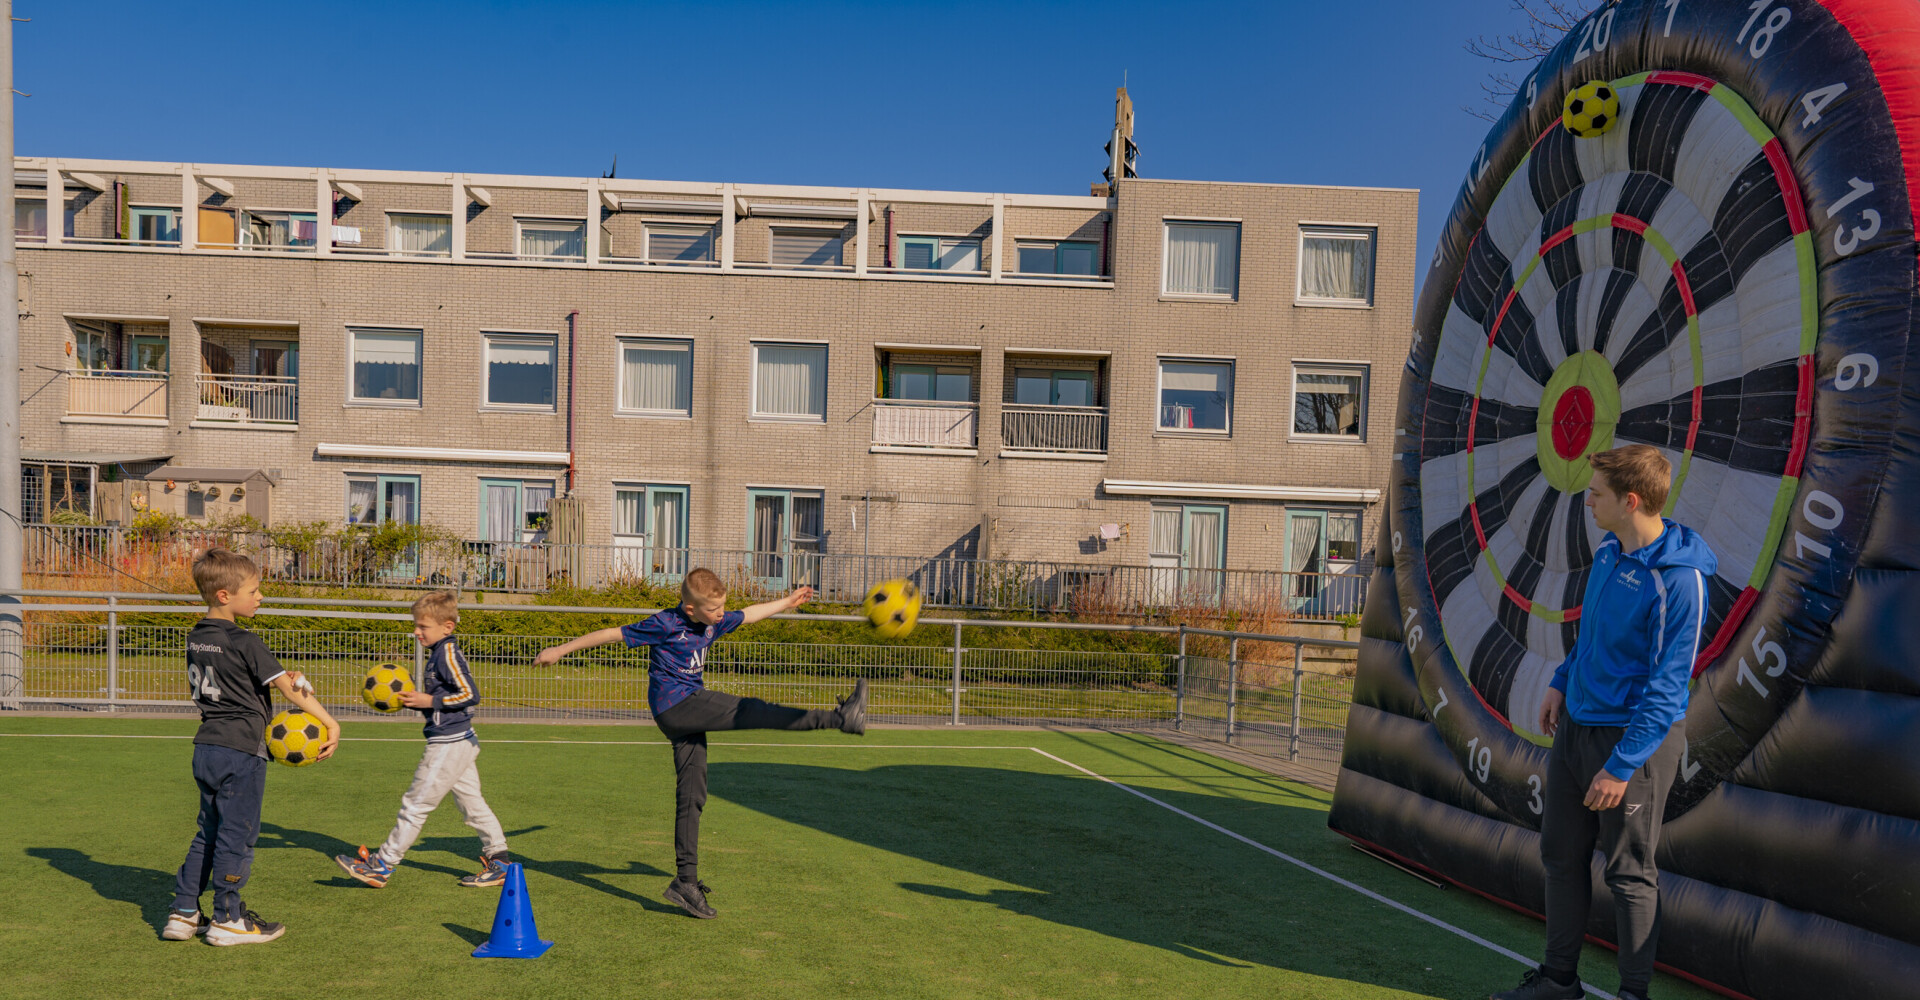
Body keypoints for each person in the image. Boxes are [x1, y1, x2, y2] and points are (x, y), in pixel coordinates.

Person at [1494, 445, 1717, 1000]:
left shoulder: (1680, 581)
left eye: (1596, 494)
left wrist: (1621, 767)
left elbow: (1668, 689)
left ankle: (1632, 996)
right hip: (1576, 727)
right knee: (1560, 856)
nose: (1587, 501)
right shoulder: (1608, 554)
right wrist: (1562, 682)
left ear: (1631, 500)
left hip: (1633, 744)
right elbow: (1591, 639)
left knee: (1629, 874)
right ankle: (1558, 983)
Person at [535, 568, 867, 919]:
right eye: (714, 609)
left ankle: (685, 883)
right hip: (677, 706)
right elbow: (610, 633)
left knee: (692, 796)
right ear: (690, 609)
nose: (721, 614)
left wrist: (789, 600)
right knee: (751, 710)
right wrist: (560, 649)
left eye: (723, 607)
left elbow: (750, 615)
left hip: (686, 710)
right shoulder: (665, 623)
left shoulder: (714, 620)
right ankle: (841, 718)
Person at [164, 549, 341, 946]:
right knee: (237, 836)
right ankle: (228, 918)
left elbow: (239, 678)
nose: (260, 597)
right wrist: (330, 722)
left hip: (206, 748)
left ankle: (184, 912)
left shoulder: (196, 637)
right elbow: (289, 689)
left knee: (206, 833)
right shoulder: (245, 639)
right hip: (242, 750)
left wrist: (277, 675)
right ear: (225, 595)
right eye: (254, 590)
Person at [335, 591, 511, 889]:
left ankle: (383, 865)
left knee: (415, 806)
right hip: (459, 741)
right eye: (416, 625)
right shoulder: (438, 652)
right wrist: (419, 700)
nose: (416, 631)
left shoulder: (448, 653)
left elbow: (470, 694)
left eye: (423, 627)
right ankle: (501, 861)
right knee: (472, 804)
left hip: (450, 743)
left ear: (447, 627)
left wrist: (430, 700)